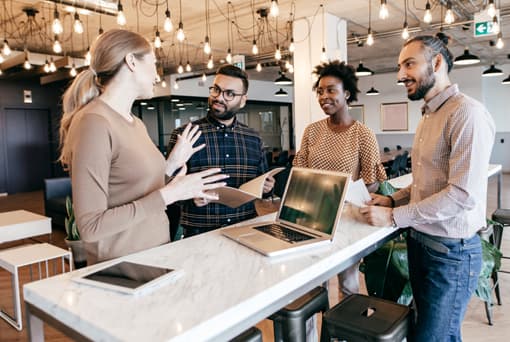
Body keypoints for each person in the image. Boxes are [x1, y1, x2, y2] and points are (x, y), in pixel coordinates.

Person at [360, 33, 495, 341]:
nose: (400, 75)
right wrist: (393, 201)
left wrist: (394, 218)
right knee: (437, 334)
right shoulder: (428, 116)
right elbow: (425, 183)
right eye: (399, 66)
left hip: (451, 254)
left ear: (436, 63)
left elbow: (461, 195)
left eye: (409, 64)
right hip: (422, 243)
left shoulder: (466, 113)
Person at [58, 29, 228, 265]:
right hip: (123, 267)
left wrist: (172, 166)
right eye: (154, 63)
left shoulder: (135, 122)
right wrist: (171, 194)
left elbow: (137, 190)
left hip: (155, 255)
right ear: (131, 62)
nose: (157, 76)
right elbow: (91, 227)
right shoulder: (94, 122)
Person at [293, 60, 387, 298]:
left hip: (347, 217)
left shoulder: (362, 134)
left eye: (331, 90)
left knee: (348, 284)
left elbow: (373, 181)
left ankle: (344, 334)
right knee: (313, 287)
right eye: (320, 91)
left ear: (346, 93)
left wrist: (341, 193)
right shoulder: (312, 131)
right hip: (312, 216)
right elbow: (300, 172)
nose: (324, 96)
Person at [167, 65, 275, 237]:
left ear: (243, 100)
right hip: (199, 234)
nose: (219, 98)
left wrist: (267, 188)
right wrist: (190, 197)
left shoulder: (253, 139)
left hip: (245, 229)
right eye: (216, 90)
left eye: (229, 94)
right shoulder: (184, 135)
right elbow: (167, 188)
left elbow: (261, 186)